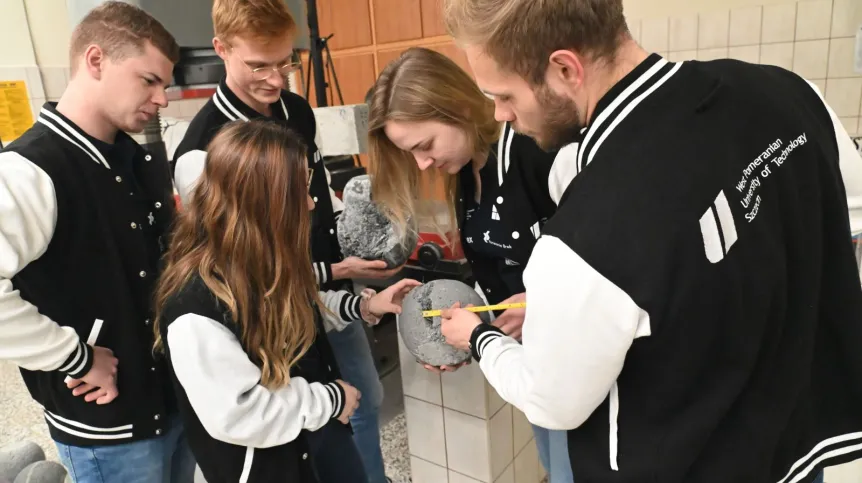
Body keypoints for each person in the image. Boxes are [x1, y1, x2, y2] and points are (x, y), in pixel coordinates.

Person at [437, 0, 862, 482]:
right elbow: (849, 212)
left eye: (504, 95)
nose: (499, 114)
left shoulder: (585, 235)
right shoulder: (786, 90)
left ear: (564, 69)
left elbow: (551, 401)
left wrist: (478, 337)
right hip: (793, 448)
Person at [171, 3, 403, 481]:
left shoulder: (295, 110)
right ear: (221, 49)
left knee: (363, 398)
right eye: (259, 65)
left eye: (286, 62)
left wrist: (351, 292)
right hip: (279, 317)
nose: (277, 81)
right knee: (315, 412)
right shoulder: (202, 152)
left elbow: (320, 197)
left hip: (315, 299)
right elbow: (241, 278)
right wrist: (335, 274)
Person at [153, 119, 419, 483]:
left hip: (318, 434)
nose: (311, 204)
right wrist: (331, 400)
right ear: (261, 204)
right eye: (299, 192)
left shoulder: (259, 260)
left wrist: (362, 307)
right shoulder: (193, 309)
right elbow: (240, 414)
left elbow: (295, 308)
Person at [0, 2, 196, 482]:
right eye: (149, 80)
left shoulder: (132, 158)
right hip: (108, 429)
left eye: (165, 85)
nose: (162, 99)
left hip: (170, 403)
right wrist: (76, 357)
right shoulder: (27, 170)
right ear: (95, 61)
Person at [367, 46, 574, 483]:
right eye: (411, 154)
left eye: (425, 145)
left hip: (579, 365)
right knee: (556, 467)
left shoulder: (535, 153)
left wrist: (538, 304)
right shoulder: (464, 173)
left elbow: (606, 264)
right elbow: (495, 274)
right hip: (532, 368)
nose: (423, 163)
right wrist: (467, 337)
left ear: (458, 106)